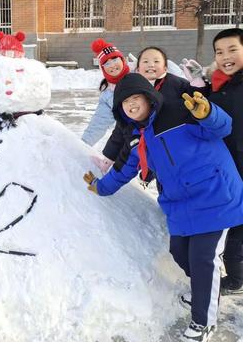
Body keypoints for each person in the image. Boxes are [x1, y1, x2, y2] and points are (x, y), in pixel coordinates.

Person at [83, 73, 243, 342]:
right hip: (181, 204)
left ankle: (203, 322)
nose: (131, 105)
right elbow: (123, 171)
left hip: (215, 195)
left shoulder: (181, 113)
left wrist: (207, 113)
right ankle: (206, 289)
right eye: (125, 103)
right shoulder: (137, 138)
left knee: (204, 258)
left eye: (135, 98)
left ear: (148, 97)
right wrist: (101, 187)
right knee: (180, 251)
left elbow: (222, 127)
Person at [101, 47, 192, 173]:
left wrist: (197, 83)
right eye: (145, 62)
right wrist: (109, 157)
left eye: (156, 61)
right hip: (153, 154)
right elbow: (122, 127)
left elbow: (201, 101)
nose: (150, 65)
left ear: (165, 67)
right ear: (138, 69)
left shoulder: (178, 84)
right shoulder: (132, 89)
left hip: (181, 147)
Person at [208, 28, 243, 295]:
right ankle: (235, 274)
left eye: (233, 49)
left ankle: (235, 276)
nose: (225, 57)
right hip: (228, 166)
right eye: (220, 52)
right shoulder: (221, 85)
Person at [81, 38, 129, 172]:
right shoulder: (109, 94)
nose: (112, 65)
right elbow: (99, 123)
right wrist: (82, 145)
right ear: (103, 68)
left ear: (122, 59)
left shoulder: (140, 75)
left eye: (114, 59)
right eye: (106, 63)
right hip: (131, 139)